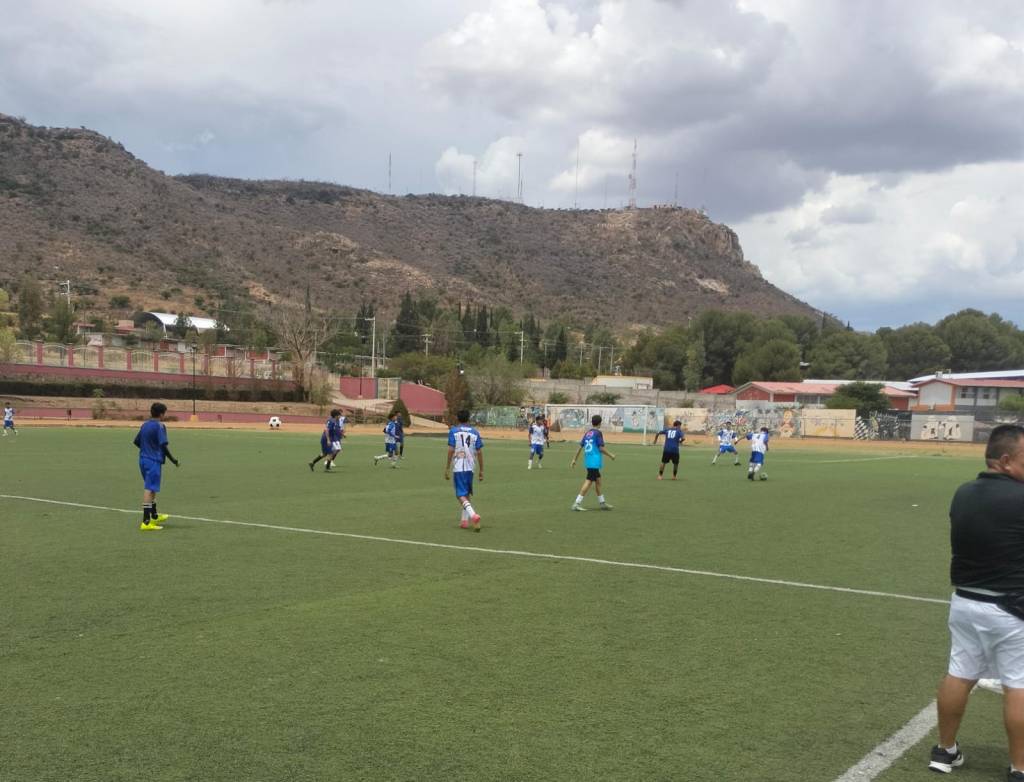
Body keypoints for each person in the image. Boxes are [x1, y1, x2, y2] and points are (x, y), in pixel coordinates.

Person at [929, 424, 1024, 778]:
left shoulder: (963, 492)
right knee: (1019, 684)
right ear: (1005, 460)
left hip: (965, 603)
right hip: (1011, 608)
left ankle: (944, 751)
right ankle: (1020, 767)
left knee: (959, 674)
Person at [133, 402, 179, 531]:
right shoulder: (160, 426)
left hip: (143, 459)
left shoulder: (145, 425)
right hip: (153, 461)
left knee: (152, 487)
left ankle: (154, 516)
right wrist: (173, 460)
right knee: (149, 489)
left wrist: (147, 449)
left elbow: (137, 441)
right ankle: (146, 522)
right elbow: (163, 446)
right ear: (161, 414)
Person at [444, 410, 484, 531]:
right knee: (466, 493)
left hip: (459, 466)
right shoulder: (475, 432)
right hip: (471, 467)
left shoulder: (454, 431)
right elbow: (479, 452)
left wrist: (447, 467)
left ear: (458, 418)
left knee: (460, 495)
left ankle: (473, 515)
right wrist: (481, 470)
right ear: (468, 418)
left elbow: (451, 450)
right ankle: (464, 521)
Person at [570, 414, 616, 511]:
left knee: (598, 481)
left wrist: (574, 459)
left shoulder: (588, 433)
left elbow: (580, 447)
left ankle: (602, 503)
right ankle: (576, 503)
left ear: (592, 423)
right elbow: (600, 448)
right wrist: (611, 455)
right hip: (594, 461)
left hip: (588, 460)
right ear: (600, 423)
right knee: (589, 481)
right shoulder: (598, 433)